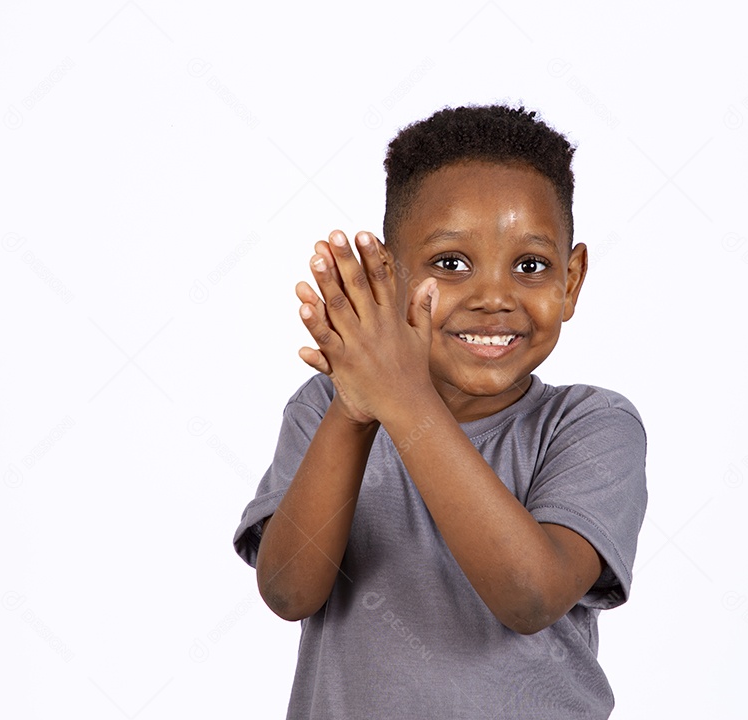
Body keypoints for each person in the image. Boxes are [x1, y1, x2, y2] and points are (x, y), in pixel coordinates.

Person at [233, 104, 648, 719]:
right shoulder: (325, 408)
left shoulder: (590, 425)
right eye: (451, 264)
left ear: (572, 279)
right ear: (387, 275)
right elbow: (290, 591)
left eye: (530, 266)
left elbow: (530, 597)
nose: (493, 297)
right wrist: (355, 408)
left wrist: (402, 400)